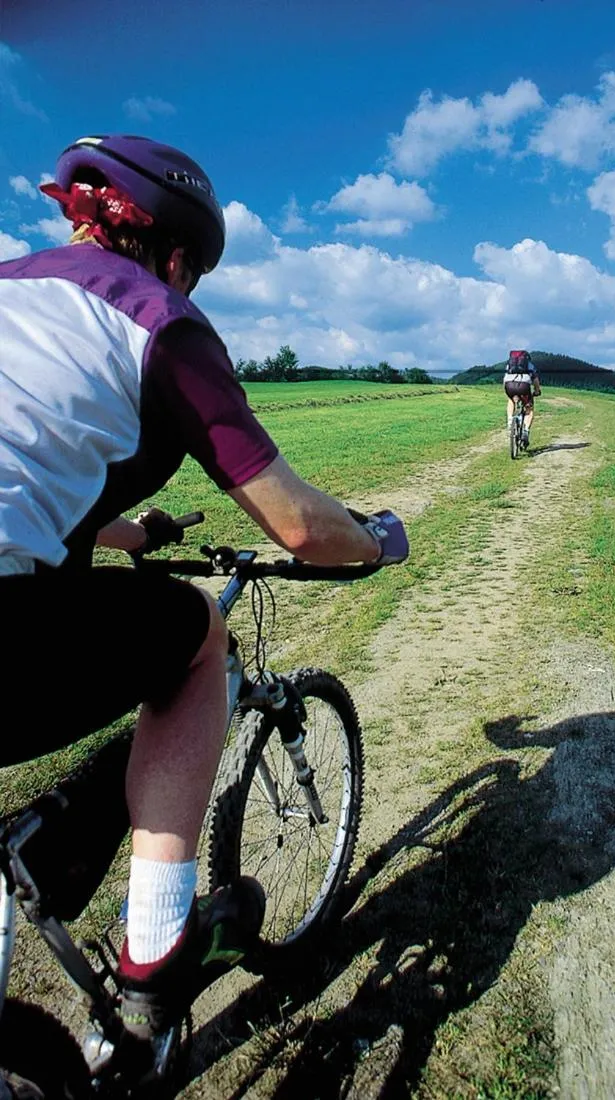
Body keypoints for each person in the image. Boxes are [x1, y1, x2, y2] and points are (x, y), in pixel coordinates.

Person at [0, 134, 409, 1042]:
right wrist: (376, 540)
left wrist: (129, 533)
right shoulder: (160, 320)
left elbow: (23, 471)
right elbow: (297, 523)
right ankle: (156, 948)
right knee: (196, 635)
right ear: (178, 256)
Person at [503, 349, 541, 449]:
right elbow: (535, 379)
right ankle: (525, 431)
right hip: (524, 386)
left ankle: (510, 420)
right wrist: (537, 391)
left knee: (511, 400)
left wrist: (507, 391)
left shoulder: (509, 364)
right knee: (529, 409)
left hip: (509, 385)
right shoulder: (529, 365)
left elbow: (505, 377)